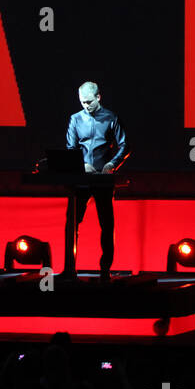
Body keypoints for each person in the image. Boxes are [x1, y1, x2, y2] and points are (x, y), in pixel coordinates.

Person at [65, 81, 127, 280]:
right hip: (82, 178)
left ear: (98, 97)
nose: (86, 106)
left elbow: (125, 145)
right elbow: (70, 149)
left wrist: (112, 164)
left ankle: (105, 269)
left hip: (103, 179)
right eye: (82, 102)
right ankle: (69, 268)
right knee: (72, 223)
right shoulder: (75, 119)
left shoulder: (111, 118)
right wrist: (81, 166)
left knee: (107, 224)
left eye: (89, 102)